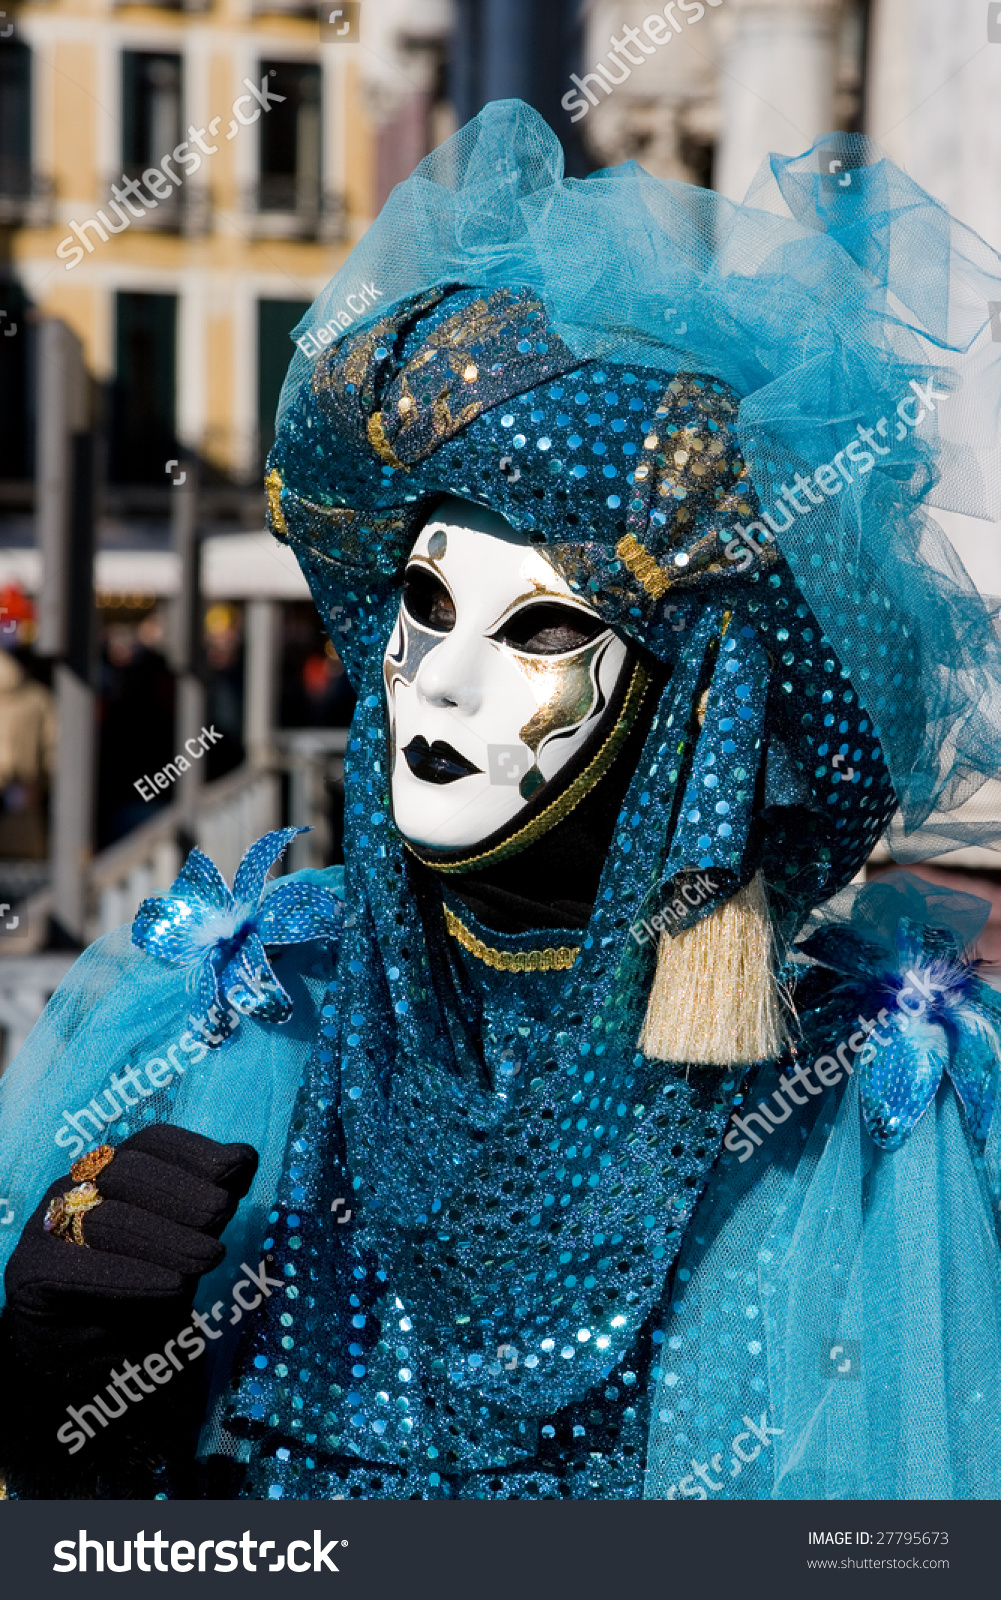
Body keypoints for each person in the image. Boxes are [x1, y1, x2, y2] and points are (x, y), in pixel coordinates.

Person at [2, 100, 1001, 1501]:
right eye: (422, 603)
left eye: (538, 633)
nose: (440, 684)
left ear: (697, 718)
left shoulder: (853, 1120)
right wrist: (68, 1399)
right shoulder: (255, 1020)